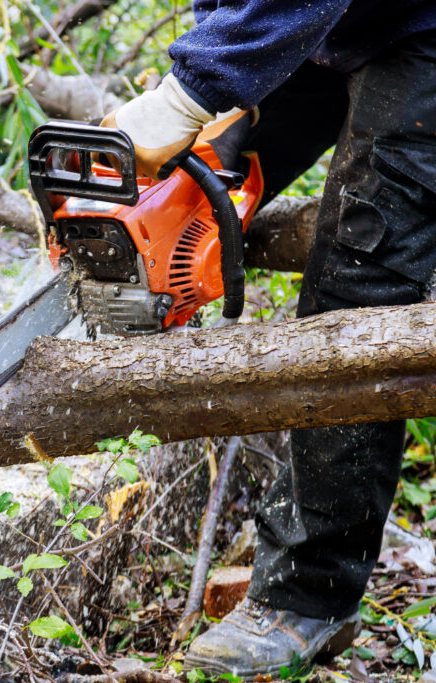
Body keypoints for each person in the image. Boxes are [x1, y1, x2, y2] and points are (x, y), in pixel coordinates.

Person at [100, 1, 436, 678]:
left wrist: (187, 90)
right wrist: (223, 86)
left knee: (358, 276)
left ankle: (307, 595)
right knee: (205, 175)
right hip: (327, 23)